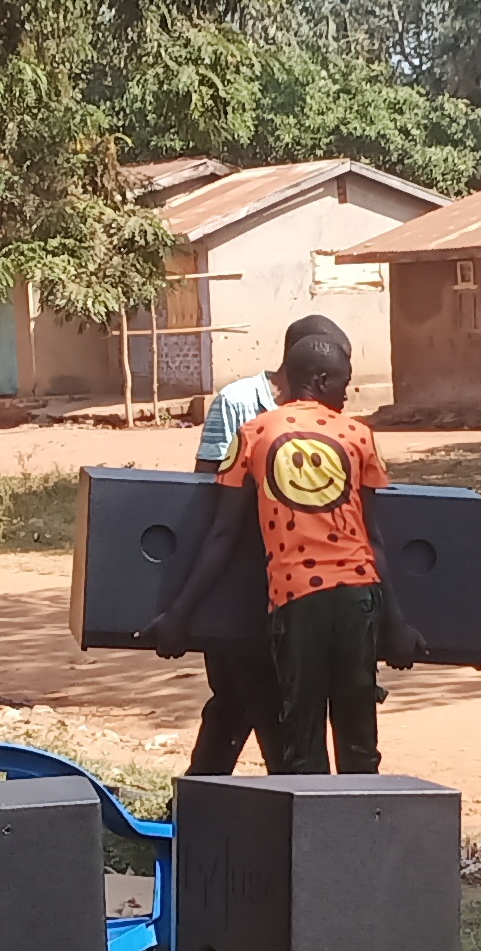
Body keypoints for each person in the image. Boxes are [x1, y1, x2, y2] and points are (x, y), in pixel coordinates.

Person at [151, 316, 421, 774]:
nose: (347, 395)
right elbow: (372, 538)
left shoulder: (253, 434)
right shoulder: (359, 435)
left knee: (301, 736)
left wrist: (180, 612)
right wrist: (396, 624)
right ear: (321, 380)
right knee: (359, 735)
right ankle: (361, 817)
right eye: (344, 385)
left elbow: (221, 532)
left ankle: (307, 815)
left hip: (297, 600)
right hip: (359, 599)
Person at [181, 361, 291, 775]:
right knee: (252, 693)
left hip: (281, 576)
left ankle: (197, 798)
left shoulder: (318, 411)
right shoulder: (237, 402)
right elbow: (206, 488)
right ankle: (290, 795)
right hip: (231, 572)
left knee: (242, 700)